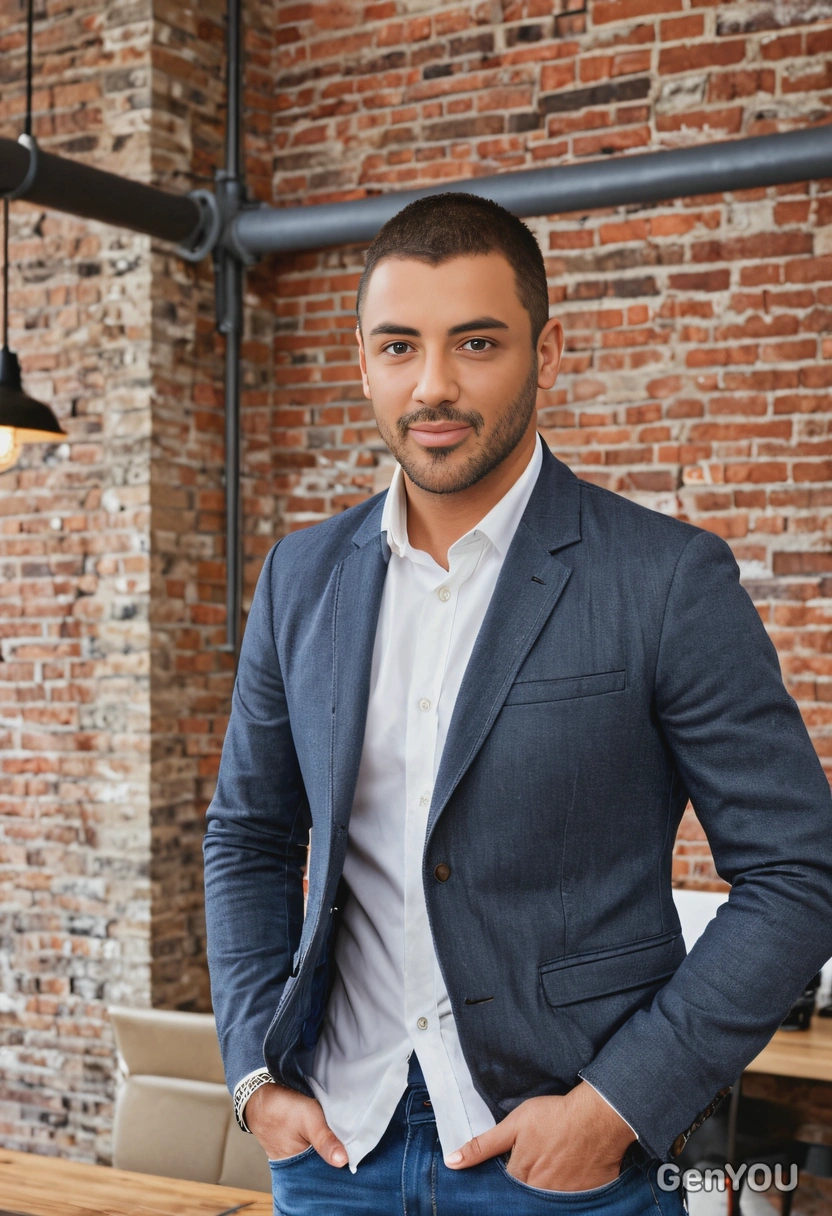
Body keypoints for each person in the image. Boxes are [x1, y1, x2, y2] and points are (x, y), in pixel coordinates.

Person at [203, 193, 832, 1215]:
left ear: (545, 355)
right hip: (335, 1151)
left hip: (560, 1161)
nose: (434, 385)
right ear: (363, 363)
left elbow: (797, 873)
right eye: (399, 346)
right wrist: (253, 1077)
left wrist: (619, 1103)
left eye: (477, 342)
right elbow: (247, 834)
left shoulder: (663, 580)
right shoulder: (300, 577)